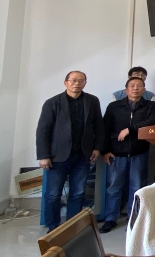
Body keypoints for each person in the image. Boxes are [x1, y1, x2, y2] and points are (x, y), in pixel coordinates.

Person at [36, 71, 104, 232]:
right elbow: (43, 130)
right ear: (65, 82)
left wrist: (97, 147)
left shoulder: (92, 101)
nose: (77, 83)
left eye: (81, 80)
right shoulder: (53, 102)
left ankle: (72, 227)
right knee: (53, 194)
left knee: (78, 193)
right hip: (57, 156)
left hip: (82, 155)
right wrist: (43, 155)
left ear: (85, 83)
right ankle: (53, 227)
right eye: (73, 80)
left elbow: (99, 126)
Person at [100, 77, 155, 233]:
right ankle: (110, 218)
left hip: (139, 152)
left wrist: (130, 129)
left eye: (139, 85)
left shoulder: (151, 106)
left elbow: (153, 121)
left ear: (144, 89)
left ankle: (134, 219)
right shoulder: (114, 106)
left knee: (137, 187)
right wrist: (104, 150)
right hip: (116, 153)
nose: (135, 88)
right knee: (114, 187)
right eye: (132, 85)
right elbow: (104, 129)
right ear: (126, 89)